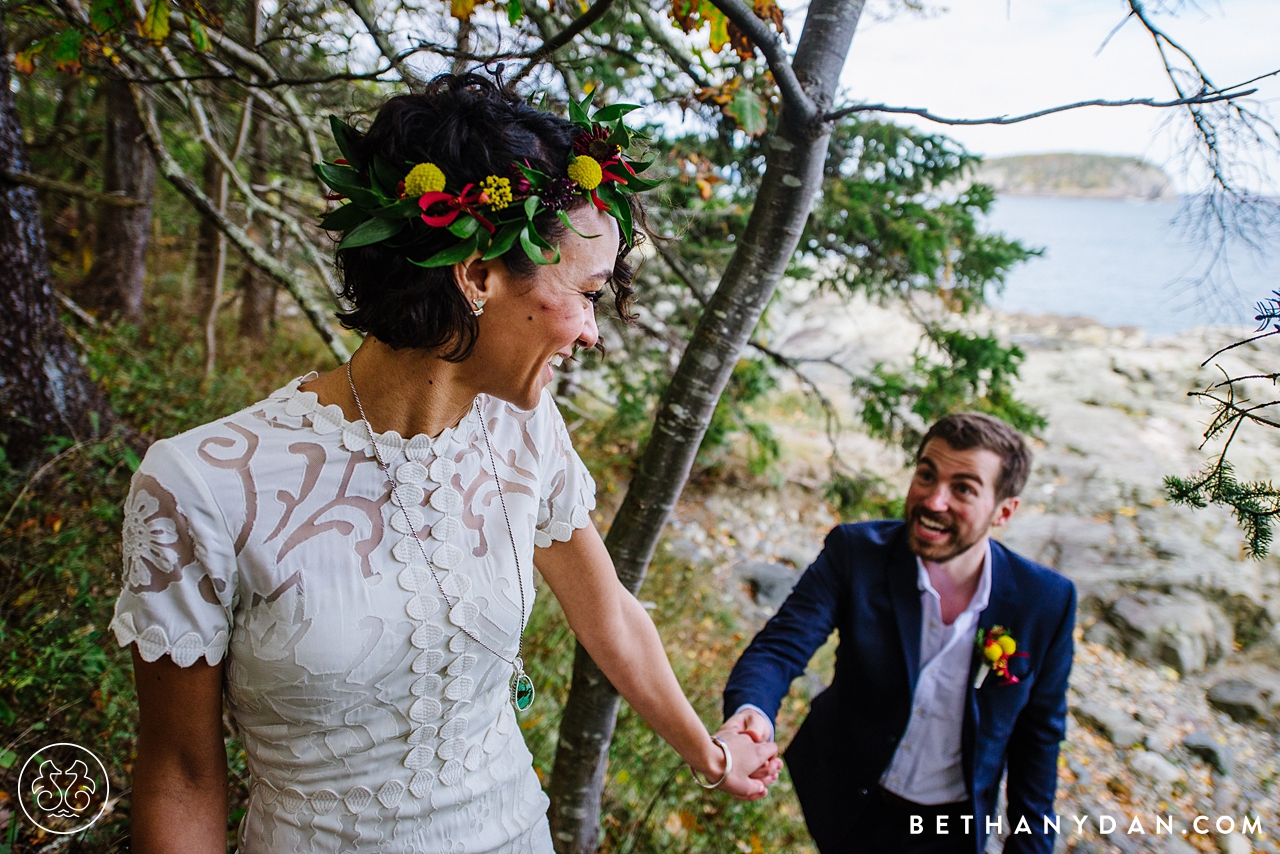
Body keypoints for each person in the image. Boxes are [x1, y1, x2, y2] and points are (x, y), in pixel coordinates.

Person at [112, 74, 778, 854]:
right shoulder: (203, 487)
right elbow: (182, 773)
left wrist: (710, 752)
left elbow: (611, 618)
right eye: (587, 292)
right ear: (479, 277)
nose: (594, 330)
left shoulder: (528, 434)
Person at [723, 413, 1076, 854]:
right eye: (926, 475)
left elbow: (1038, 739)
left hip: (951, 826)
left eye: (963, 488)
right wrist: (751, 712)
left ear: (1004, 510)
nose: (933, 500)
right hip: (842, 795)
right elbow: (780, 647)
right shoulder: (855, 553)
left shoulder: (1046, 602)